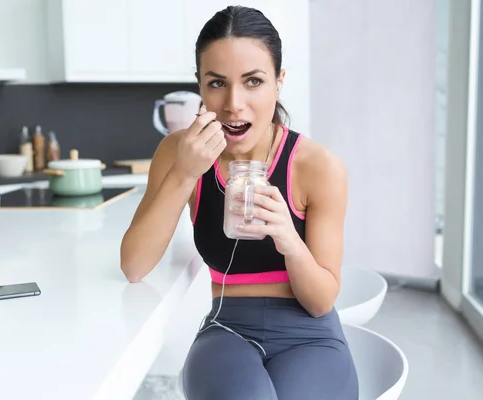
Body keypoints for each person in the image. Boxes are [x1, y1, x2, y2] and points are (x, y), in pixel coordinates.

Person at [120, 5, 359, 400]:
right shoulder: (180, 152)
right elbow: (134, 266)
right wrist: (184, 173)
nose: (233, 103)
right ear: (199, 85)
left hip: (310, 336)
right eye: (216, 83)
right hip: (226, 331)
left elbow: (320, 303)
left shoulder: (319, 168)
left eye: (253, 81)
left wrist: (289, 239)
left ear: (279, 82)